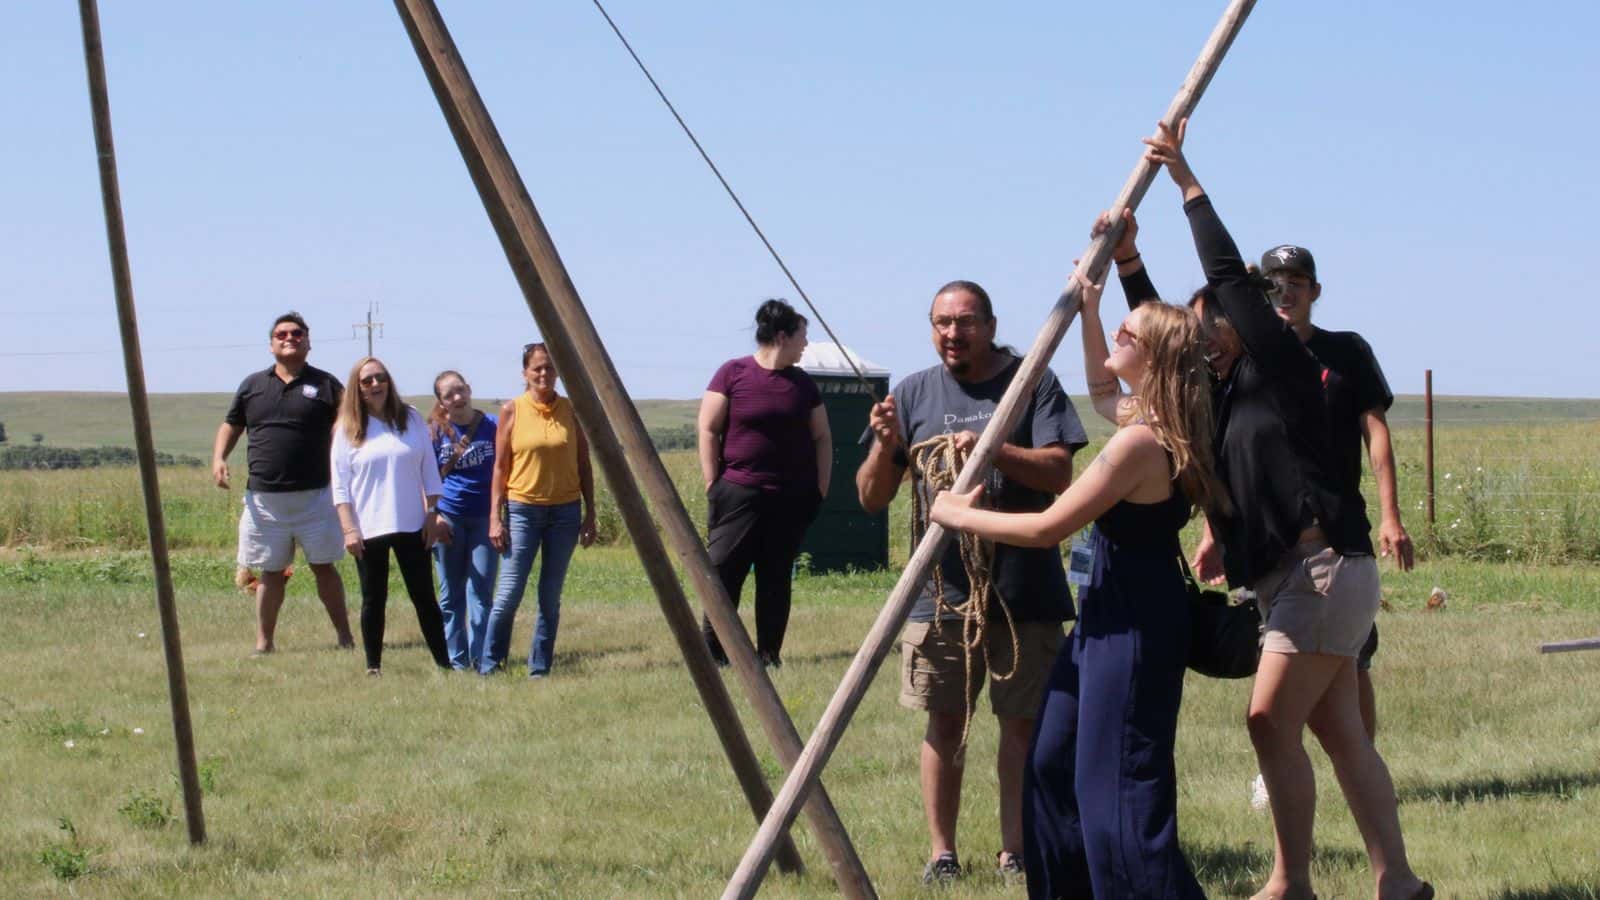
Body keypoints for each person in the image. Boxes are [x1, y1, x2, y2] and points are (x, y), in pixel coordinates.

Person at [1138, 118, 1431, 900]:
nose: (1202, 329)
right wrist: (1131, 265)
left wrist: (1186, 183)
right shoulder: (1225, 394)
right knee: (1342, 738)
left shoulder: (1287, 366)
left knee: (1268, 721)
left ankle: (1288, 882)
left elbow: (1229, 277)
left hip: (1324, 571)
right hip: (1288, 582)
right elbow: (1160, 344)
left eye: (1213, 319)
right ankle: (1396, 881)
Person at [930, 261, 1223, 899]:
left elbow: (1048, 528)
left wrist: (956, 512)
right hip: (1104, 617)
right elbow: (1098, 390)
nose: (1116, 338)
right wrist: (1089, 310)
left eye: (1126, 335)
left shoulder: (1137, 445)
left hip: (1134, 625)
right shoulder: (1148, 420)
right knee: (1053, 764)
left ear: (1153, 357)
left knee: (1116, 787)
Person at [857, 280, 1087, 885]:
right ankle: (942, 854)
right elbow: (872, 497)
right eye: (940, 323)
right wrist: (886, 449)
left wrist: (992, 452)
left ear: (989, 323)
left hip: (1025, 589)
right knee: (945, 720)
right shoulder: (912, 392)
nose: (951, 334)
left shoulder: (1031, 380)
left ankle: (1015, 849)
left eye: (964, 322)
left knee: (1022, 724)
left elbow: (1061, 472)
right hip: (941, 594)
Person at [1260, 244, 1413, 740]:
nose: (1284, 293)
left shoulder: (1347, 351)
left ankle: (1361, 762)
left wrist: (1391, 516)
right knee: (1276, 648)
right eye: (1274, 284)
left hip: (1336, 528)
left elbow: (1378, 435)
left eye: (1296, 284)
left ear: (1315, 292)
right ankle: (1284, 760)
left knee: (1352, 658)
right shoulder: (1250, 357)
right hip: (1271, 534)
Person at [697, 299, 830, 668]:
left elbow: (822, 438)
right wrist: (713, 482)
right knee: (723, 573)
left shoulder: (802, 384)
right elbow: (708, 428)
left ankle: (769, 655)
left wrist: (820, 488)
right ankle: (715, 654)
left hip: (790, 497)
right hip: (738, 493)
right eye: (802, 336)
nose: (806, 344)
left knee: (775, 579)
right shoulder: (733, 373)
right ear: (782, 336)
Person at [212, 312, 354, 655]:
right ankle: (264, 644)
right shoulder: (252, 386)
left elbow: (350, 425)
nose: (289, 338)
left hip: (316, 497)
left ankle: (346, 638)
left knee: (324, 568)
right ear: (271, 343)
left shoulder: (327, 385)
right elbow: (231, 425)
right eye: (281, 334)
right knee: (270, 572)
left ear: (307, 341)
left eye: (296, 333)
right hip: (264, 500)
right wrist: (219, 459)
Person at [478, 343, 598, 678]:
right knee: (509, 593)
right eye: (537, 368)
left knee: (550, 596)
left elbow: (584, 463)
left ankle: (539, 668)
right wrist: (494, 518)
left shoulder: (571, 410)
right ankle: (490, 665)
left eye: (549, 368)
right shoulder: (512, 410)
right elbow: (500, 469)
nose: (544, 374)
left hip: (565, 512)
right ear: (525, 373)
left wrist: (591, 513)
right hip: (522, 510)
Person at [330, 357, 452, 675]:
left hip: (413, 523)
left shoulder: (409, 418)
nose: (375, 385)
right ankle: (373, 666)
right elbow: (339, 485)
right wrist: (348, 530)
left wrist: (432, 513)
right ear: (357, 387)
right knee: (374, 599)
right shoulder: (347, 428)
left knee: (424, 596)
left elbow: (429, 470)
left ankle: (444, 663)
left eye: (380, 378)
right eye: (367, 380)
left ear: (389, 381)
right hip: (368, 528)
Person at [428, 370, 499, 671]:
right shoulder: (433, 433)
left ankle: (483, 660)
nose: (457, 398)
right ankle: (456, 661)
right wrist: (434, 517)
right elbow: (423, 477)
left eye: (460, 391)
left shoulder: (494, 426)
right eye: (448, 395)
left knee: (481, 590)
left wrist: (500, 515)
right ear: (441, 402)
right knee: (450, 594)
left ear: (469, 390)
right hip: (449, 519)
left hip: (485, 518)